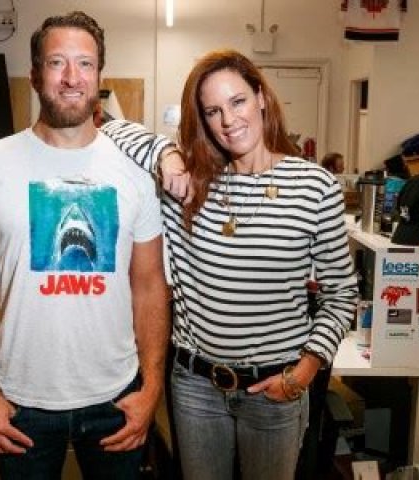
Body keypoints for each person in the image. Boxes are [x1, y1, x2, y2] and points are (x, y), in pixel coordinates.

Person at [103, 49, 357, 480]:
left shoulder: (314, 186)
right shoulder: (188, 186)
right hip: (196, 389)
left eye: (238, 102)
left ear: (261, 97)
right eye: (213, 111)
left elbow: (341, 293)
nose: (228, 120)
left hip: (275, 389)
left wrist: (304, 372)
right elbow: (110, 127)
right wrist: (167, 152)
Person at [0, 11, 170, 480]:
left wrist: (151, 388)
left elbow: (150, 285)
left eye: (85, 64)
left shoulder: (134, 171)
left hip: (116, 397)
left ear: (99, 76)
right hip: (19, 400)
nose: (72, 77)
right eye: (57, 63)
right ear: (35, 75)